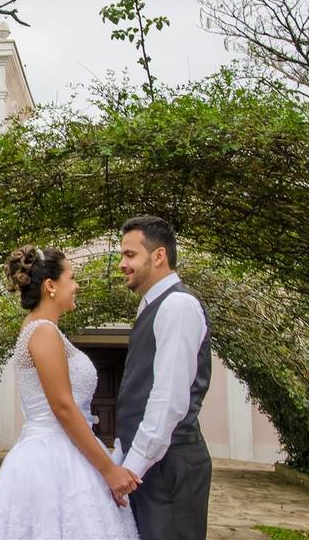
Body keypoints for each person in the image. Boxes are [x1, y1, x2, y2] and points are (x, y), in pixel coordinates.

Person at [0, 245, 141, 540]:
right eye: (72, 277)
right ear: (51, 286)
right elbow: (63, 407)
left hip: (66, 451)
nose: (77, 285)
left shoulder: (46, 330)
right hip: (52, 461)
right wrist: (109, 470)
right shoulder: (43, 332)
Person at [115, 216, 212, 540]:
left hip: (170, 468)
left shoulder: (177, 306)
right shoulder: (153, 306)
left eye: (130, 255)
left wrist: (132, 468)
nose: (121, 264)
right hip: (156, 466)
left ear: (158, 256)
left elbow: (168, 399)